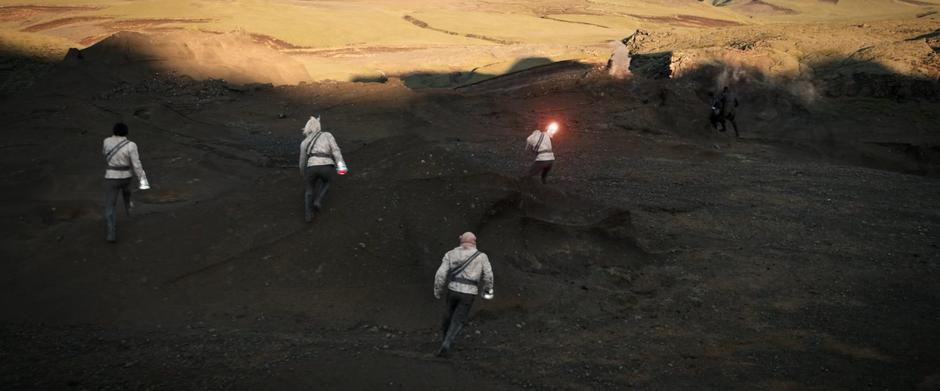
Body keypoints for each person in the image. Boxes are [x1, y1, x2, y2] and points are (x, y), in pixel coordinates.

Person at [433, 232, 494, 357]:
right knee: (458, 320)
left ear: (461, 240)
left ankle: (444, 339)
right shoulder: (482, 257)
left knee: (448, 316)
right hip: (469, 293)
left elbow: (440, 274)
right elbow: (488, 276)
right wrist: (487, 290)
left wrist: (438, 289)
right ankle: (447, 343)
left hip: (453, 290)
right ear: (474, 241)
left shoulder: (451, 254)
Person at [102, 122, 149, 243]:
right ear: (126, 132)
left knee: (110, 204)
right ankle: (129, 209)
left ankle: (111, 231)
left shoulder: (106, 141)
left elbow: (104, 154)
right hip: (126, 177)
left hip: (111, 177)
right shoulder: (131, 145)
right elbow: (136, 164)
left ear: (114, 131)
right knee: (127, 193)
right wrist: (143, 180)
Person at [298, 116, 346, 222]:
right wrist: (341, 166)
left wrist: (303, 173)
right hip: (326, 166)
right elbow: (336, 151)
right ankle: (318, 200)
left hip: (311, 168)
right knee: (327, 182)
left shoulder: (304, 142)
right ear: (318, 126)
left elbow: (302, 161)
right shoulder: (327, 135)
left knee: (309, 190)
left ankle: (308, 215)